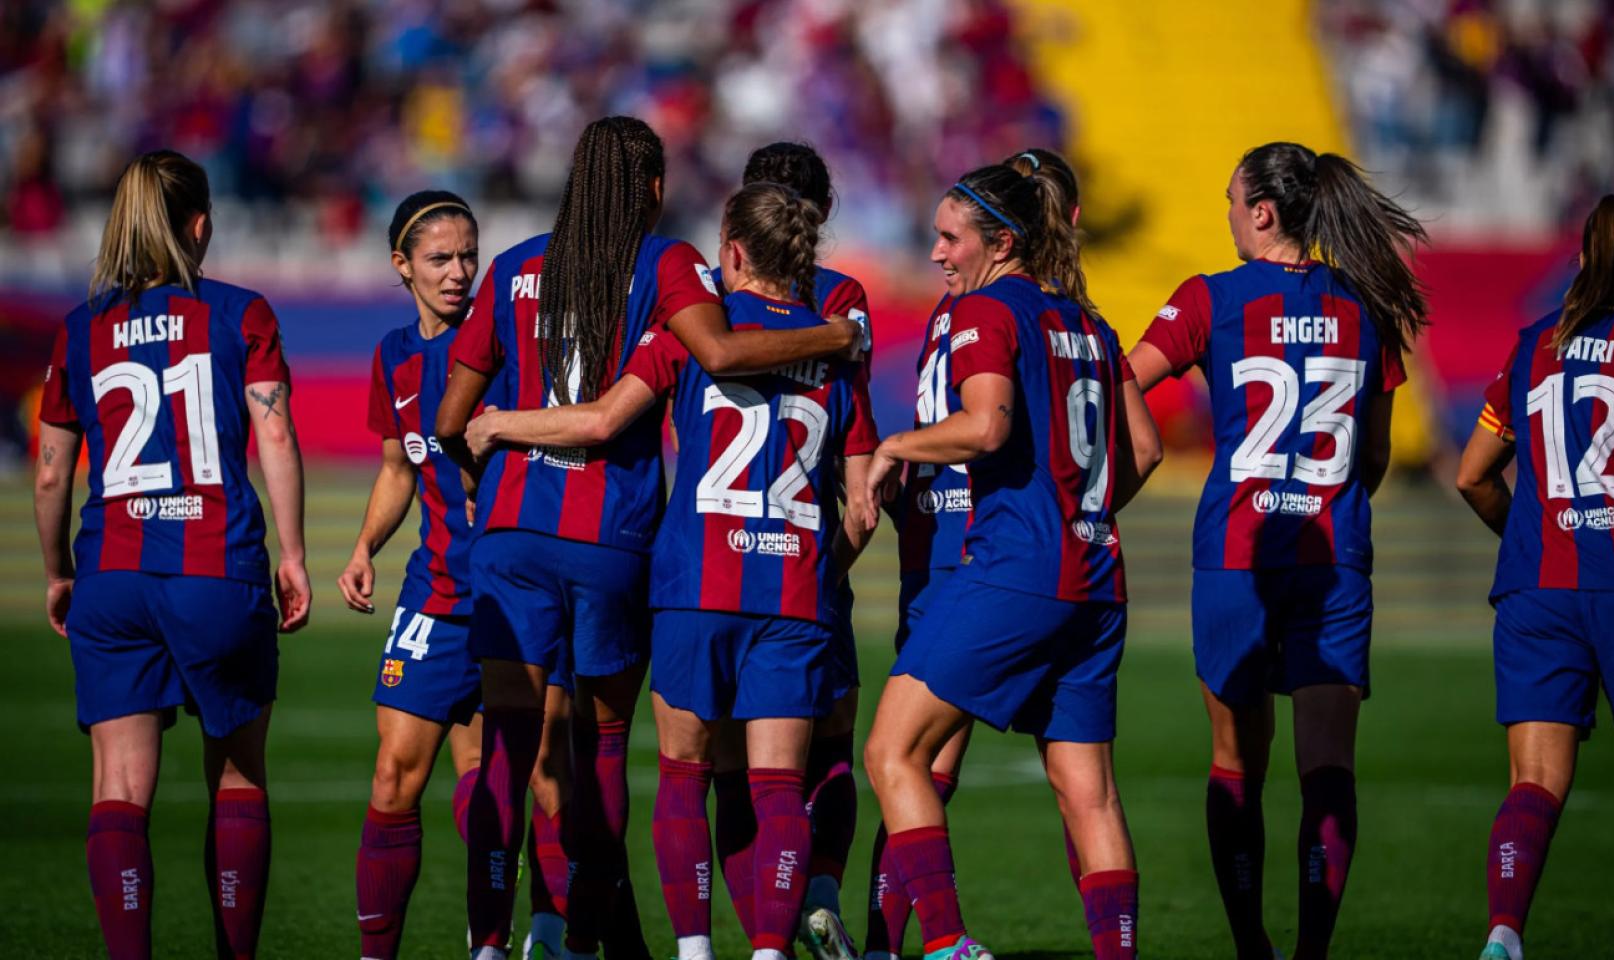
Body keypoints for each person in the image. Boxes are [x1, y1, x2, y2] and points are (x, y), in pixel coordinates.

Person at [436, 116, 862, 960]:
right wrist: (839, 338)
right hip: (620, 540)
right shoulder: (668, 267)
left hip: (523, 532)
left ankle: (494, 943)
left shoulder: (516, 264)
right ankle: (585, 934)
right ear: (658, 190)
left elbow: (454, 420)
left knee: (511, 751)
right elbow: (728, 359)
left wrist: (490, 450)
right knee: (610, 751)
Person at [1126, 141, 1427, 960]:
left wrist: (1134, 459)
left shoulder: (1209, 299)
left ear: (1262, 211)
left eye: (1231, 199)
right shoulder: (1366, 306)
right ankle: (1312, 955)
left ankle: (1252, 947)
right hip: (1334, 556)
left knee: (1236, 763)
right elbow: (1372, 459)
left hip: (1237, 554)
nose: (1226, 213)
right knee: (1328, 768)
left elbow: (1119, 380)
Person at [862, 146, 1161, 960]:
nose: (936, 253)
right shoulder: (1089, 320)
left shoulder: (986, 313)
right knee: (1089, 792)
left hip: (1016, 569)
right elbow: (1146, 446)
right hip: (1098, 580)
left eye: (950, 237)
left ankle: (949, 942)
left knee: (893, 751)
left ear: (1000, 242)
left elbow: (986, 426)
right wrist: (1081, 512)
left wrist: (897, 445)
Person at [33, 149, 310, 960]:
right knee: (236, 774)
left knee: (119, 789)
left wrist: (57, 572)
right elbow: (277, 433)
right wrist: (292, 556)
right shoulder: (241, 311)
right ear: (200, 225)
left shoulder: (79, 328)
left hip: (111, 576)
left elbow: (52, 471)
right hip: (215, 567)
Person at [1456, 195, 1614, 960]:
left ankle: (1504, 933)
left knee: (1534, 781)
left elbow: (1472, 476)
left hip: (1539, 587)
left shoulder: (1532, 346)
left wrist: (1535, 537)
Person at [706, 141, 872, 960]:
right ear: (825, 211)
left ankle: (748, 935)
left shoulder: (709, 300)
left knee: (732, 766)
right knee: (832, 741)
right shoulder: (843, 306)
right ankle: (821, 893)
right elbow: (864, 473)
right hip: (809, 555)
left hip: (716, 557)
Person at [334, 190, 486, 959]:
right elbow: (399, 464)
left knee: (487, 786)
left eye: (468, 256)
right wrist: (364, 546)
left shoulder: (504, 345)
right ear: (402, 265)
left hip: (506, 593)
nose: (459, 273)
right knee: (394, 776)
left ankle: (491, 939)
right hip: (432, 591)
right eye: (440, 259)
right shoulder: (394, 354)